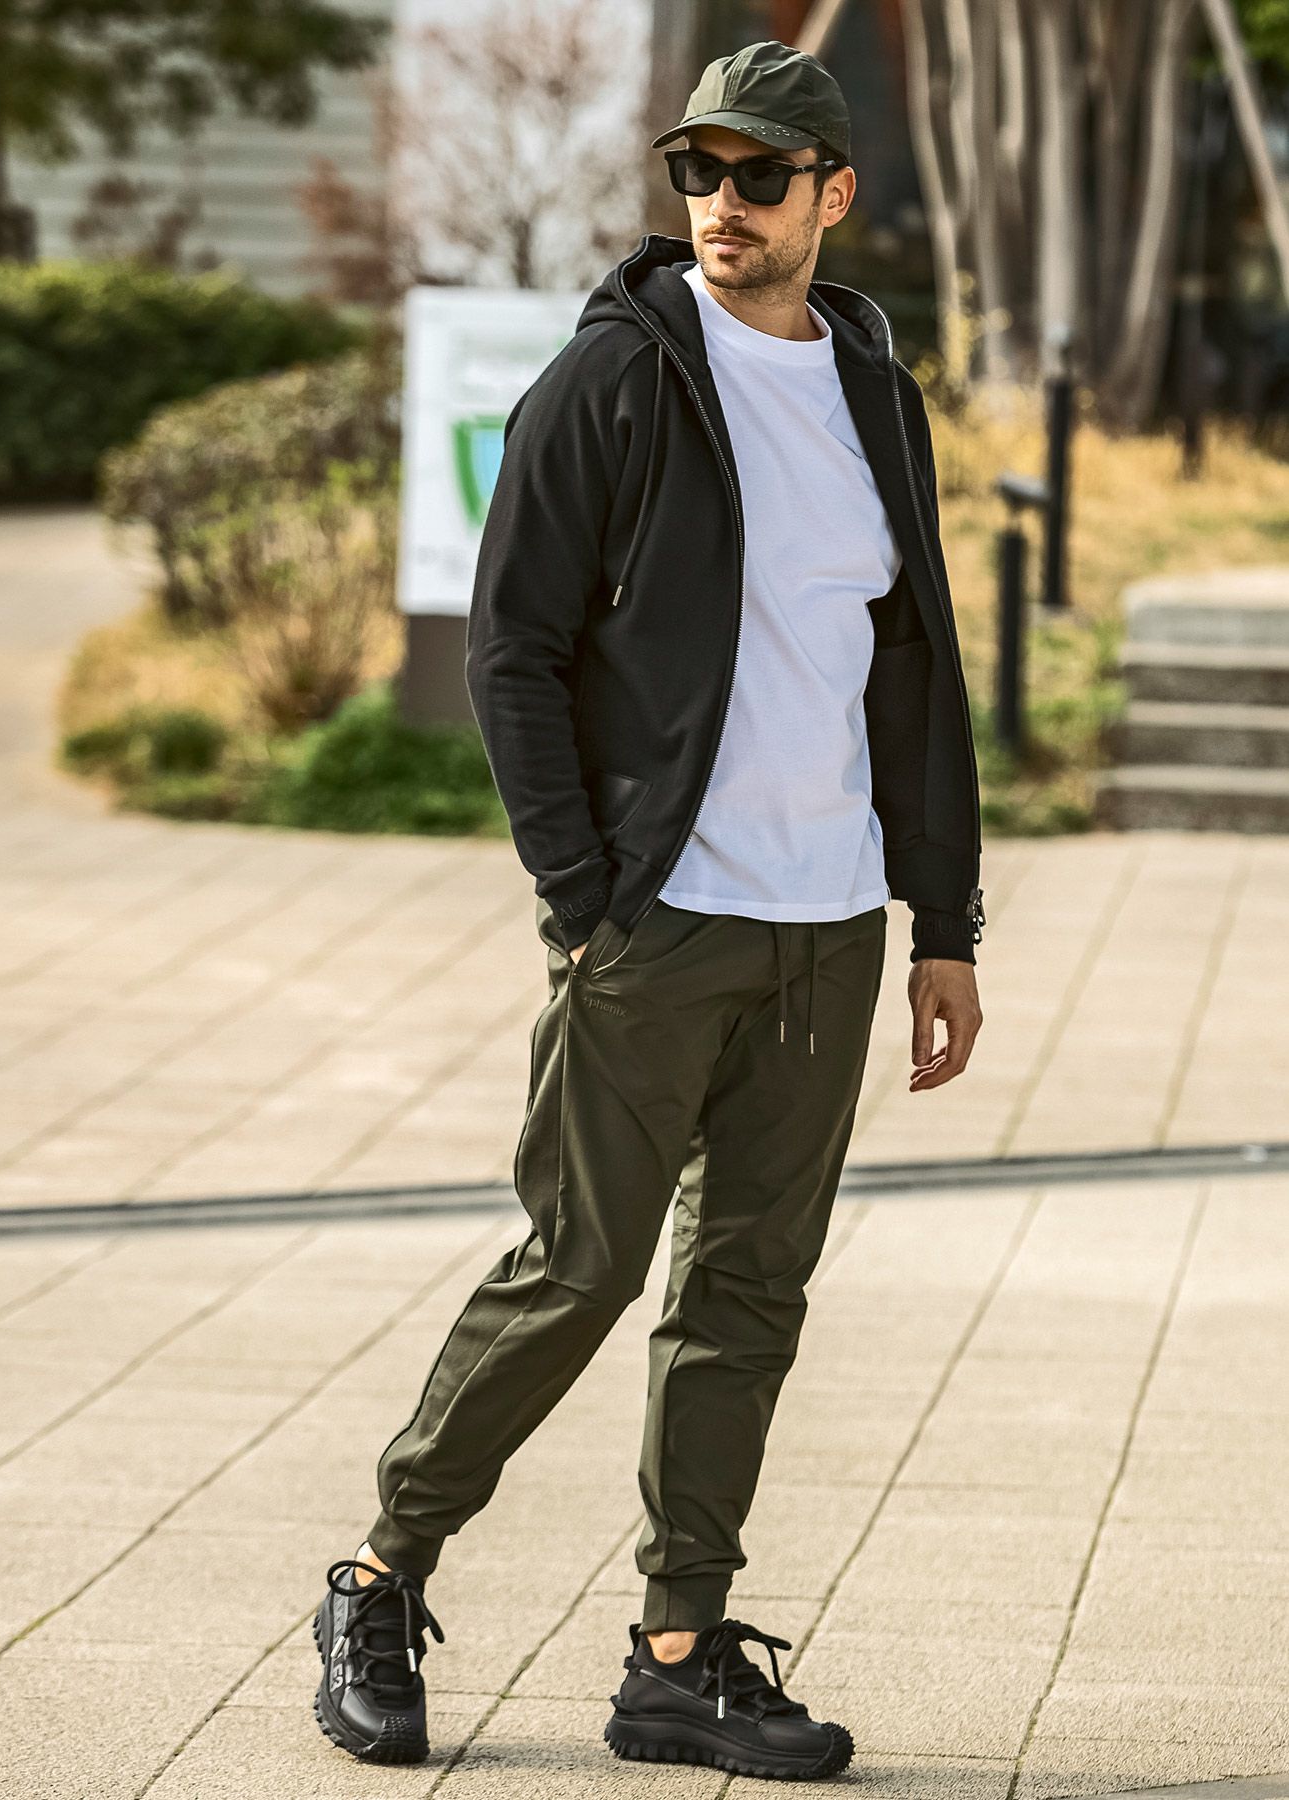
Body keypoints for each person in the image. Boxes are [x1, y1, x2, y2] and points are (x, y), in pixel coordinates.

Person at [313, 39, 985, 1782]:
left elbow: (914, 666)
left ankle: (679, 1657)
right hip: (661, 916)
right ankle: (382, 1574)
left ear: (834, 194)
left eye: (759, 177)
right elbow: (512, 649)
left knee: (750, 1293)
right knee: (579, 1269)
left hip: (828, 927)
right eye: (699, 172)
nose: (722, 206)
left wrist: (945, 924)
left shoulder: (873, 390)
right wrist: (583, 895)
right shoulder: (613, 379)